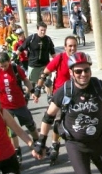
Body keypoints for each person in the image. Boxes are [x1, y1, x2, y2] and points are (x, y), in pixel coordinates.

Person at [32, 35, 78, 163]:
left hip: (75, 95)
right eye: (70, 46)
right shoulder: (60, 58)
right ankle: (54, 144)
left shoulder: (79, 59)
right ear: (65, 47)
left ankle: (83, 147)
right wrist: (37, 89)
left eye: (74, 45)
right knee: (57, 122)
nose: (72, 48)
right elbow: (45, 72)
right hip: (60, 95)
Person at [0, 51, 39, 158]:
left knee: (30, 125)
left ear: (9, 61)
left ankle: (37, 143)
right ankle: (17, 151)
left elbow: (25, 80)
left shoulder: (15, 69)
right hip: (5, 106)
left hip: (19, 104)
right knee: (12, 131)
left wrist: (32, 92)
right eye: (1, 66)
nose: (3, 68)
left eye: (5, 65)